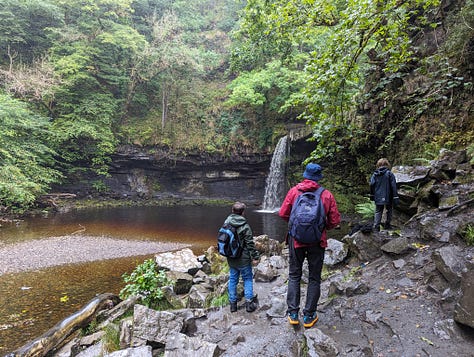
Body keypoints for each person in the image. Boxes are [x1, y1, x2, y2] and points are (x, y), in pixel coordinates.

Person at [279, 163, 341, 328]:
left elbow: (283, 213)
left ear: (305, 175)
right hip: (317, 241)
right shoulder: (326, 195)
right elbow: (334, 220)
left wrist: (295, 226)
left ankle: (293, 314)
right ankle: (309, 316)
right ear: (319, 177)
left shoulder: (293, 192)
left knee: (294, 275)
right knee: (314, 278)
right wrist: (321, 228)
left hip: (296, 241)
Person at [223, 201, 260, 313]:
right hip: (243, 259)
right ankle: (249, 303)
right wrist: (255, 256)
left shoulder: (226, 223)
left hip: (231, 257)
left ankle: (233, 305)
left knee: (233, 279)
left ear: (232, 211)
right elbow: (250, 244)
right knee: (247, 279)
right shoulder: (245, 226)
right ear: (243, 213)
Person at [369, 158, 399, 231]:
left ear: (378, 165)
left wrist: (372, 195)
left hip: (378, 196)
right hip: (388, 196)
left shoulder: (375, 174)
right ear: (387, 165)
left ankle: (376, 227)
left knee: (378, 211)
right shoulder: (389, 174)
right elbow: (393, 186)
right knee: (389, 210)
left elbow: (372, 184)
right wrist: (395, 196)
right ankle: (387, 225)